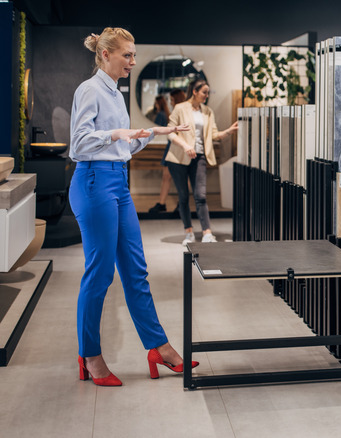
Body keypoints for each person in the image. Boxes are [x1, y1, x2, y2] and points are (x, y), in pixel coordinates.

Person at [69, 27, 198, 386]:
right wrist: (116, 134)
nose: (132, 61)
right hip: (93, 183)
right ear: (105, 54)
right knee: (99, 274)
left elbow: (120, 147)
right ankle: (89, 355)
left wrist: (150, 134)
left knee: (135, 270)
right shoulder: (89, 90)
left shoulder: (115, 93)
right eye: (127, 55)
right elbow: (78, 145)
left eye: (134, 55)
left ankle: (158, 346)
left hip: (117, 182)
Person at [166, 78, 238, 245]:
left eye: (208, 93)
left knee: (201, 195)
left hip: (199, 157)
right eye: (204, 92)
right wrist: (185, 146)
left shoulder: (207, 111)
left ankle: (207, 233)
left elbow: (213, 135)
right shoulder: (180, 108)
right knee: (183, 196)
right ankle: (189, 232)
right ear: (195, 91)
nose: (206, 95)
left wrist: (229, 131)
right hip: (178, 158)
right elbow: (170, 132)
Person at [148, 89, 187, 214]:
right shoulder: (173, 113)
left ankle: (180, 203)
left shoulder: (183, 113)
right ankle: (162, 203)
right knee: (167, 176)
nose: (170, 102)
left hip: (180, 146)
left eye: (172, 99)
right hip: (172, 145)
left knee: (180, 177)